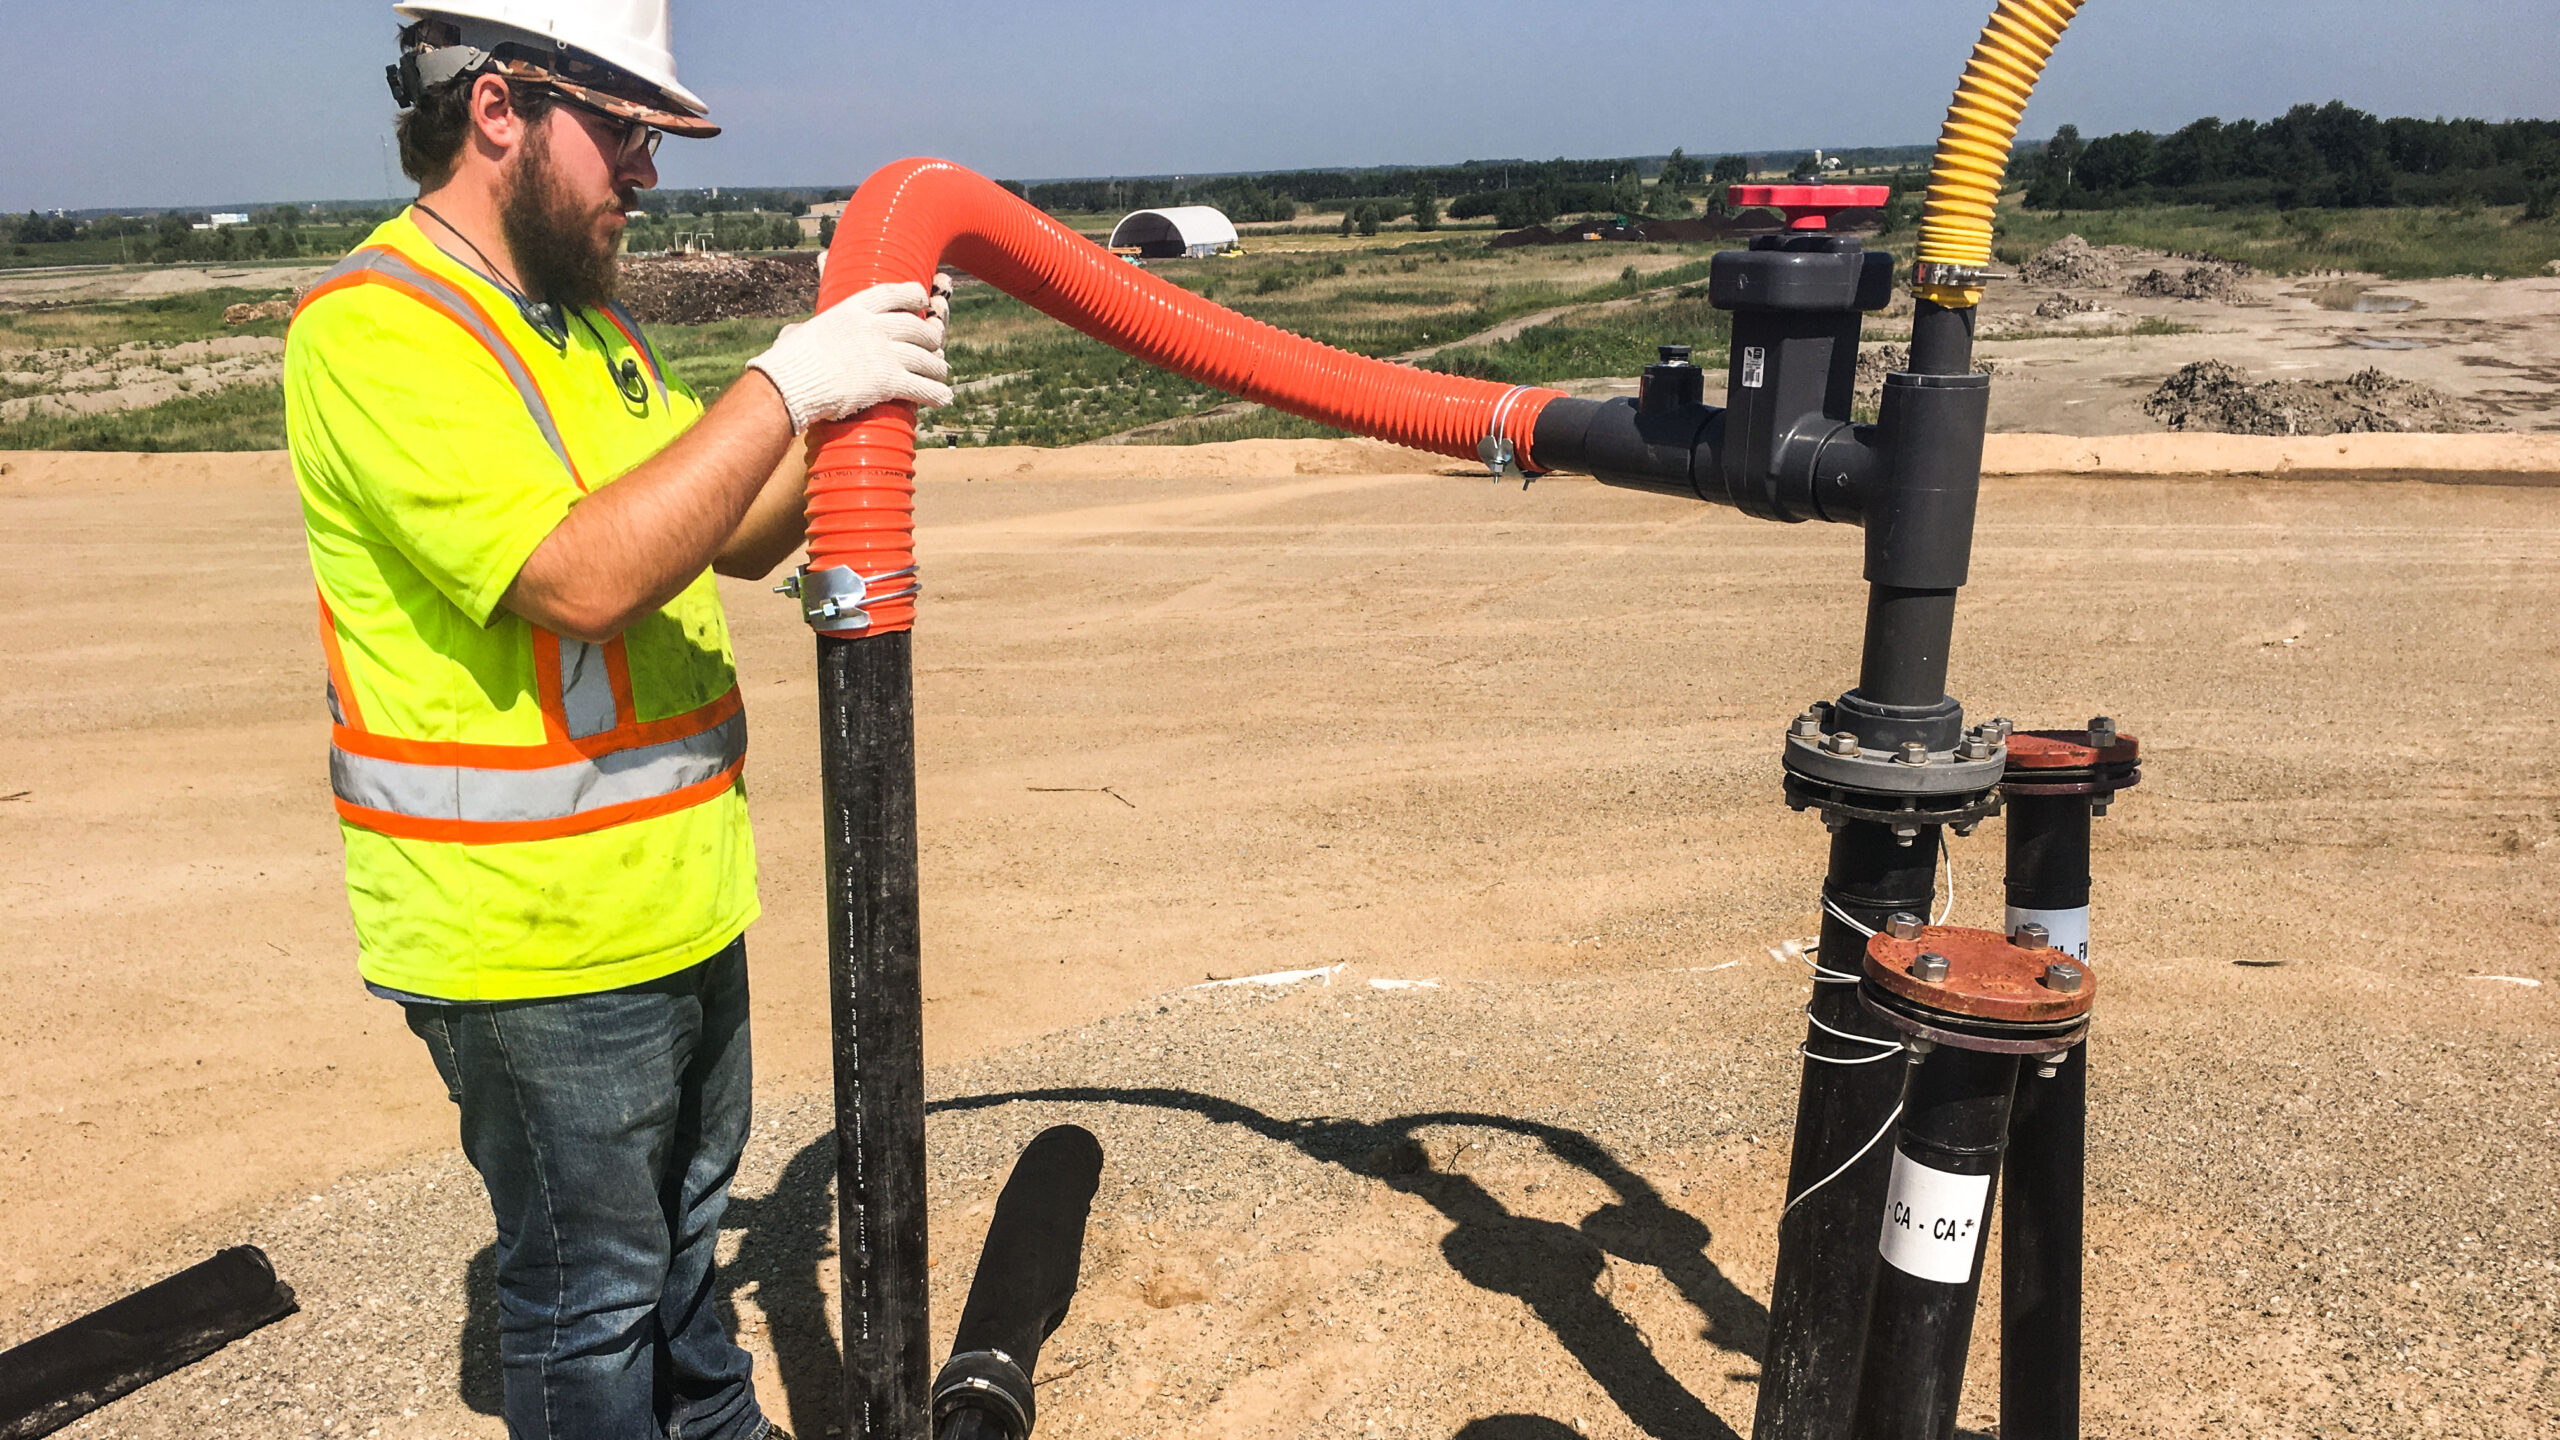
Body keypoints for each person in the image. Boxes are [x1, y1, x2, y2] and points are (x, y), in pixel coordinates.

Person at [284, 5, 953, 1436]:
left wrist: (850, 407)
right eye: (626, 129)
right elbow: (585, 578)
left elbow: (734, 535)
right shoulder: (376, 332)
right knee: (591, 1303)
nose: (647, 171)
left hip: (669, 903)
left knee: (676, 1276)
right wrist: (784, 381)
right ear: (499, 110)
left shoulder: (583, 330)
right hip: (529, 937)